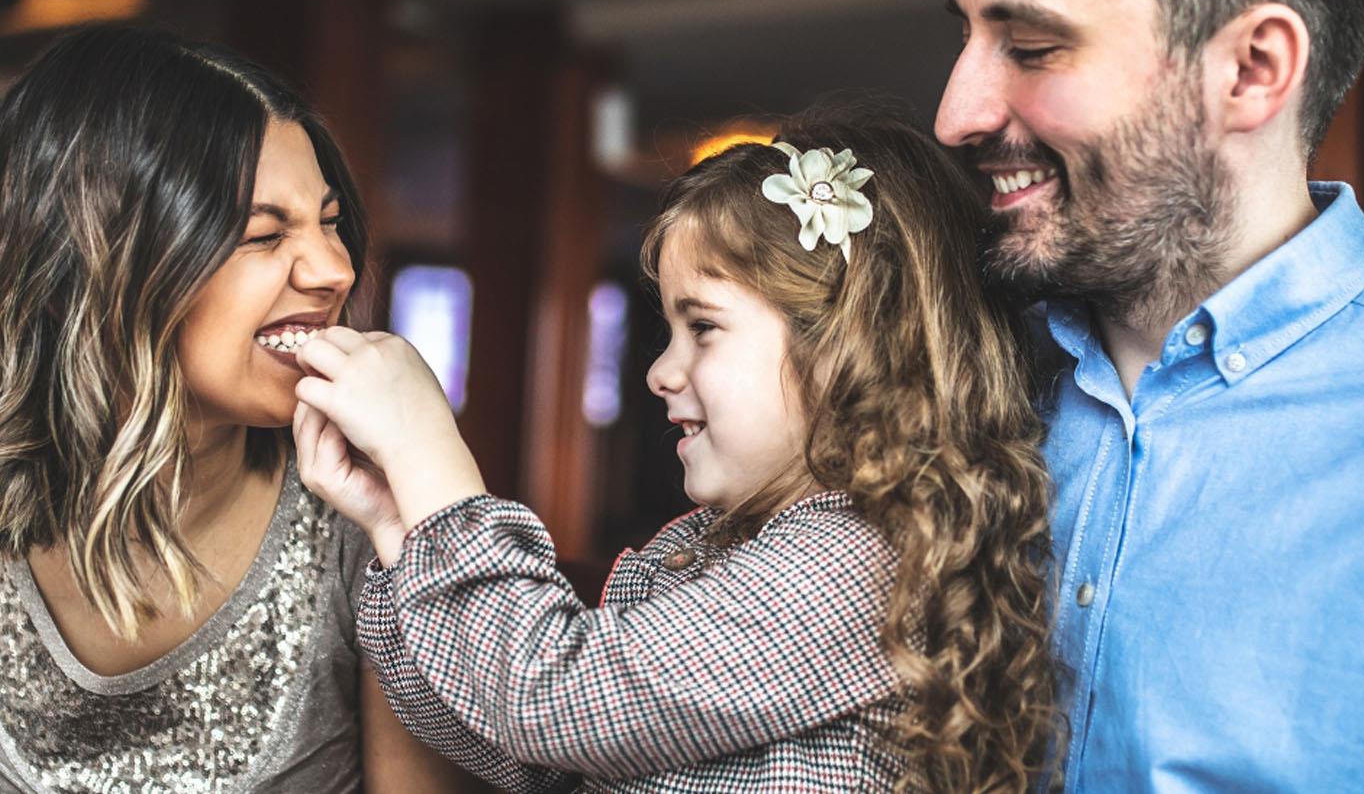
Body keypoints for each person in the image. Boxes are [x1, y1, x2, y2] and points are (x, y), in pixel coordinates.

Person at [291, 105, 1059, 791]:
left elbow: (548, 701)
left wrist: (440, 472)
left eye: (704, 327)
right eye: (667, 330)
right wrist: (399, 534)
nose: (659, 372)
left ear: (848, 347)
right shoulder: (707, 546)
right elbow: (526, 753)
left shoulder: (861, 560)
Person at [930, 0, 1364, 790]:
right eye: (963, 38)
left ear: (1251, 68)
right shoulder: (945, 380)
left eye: (1031, 48)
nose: (955, 113)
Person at [0, 25, 478, 792]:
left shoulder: (365, 518)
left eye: (329, 222)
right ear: (104, 266)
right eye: (264, 234)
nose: (336, 269)